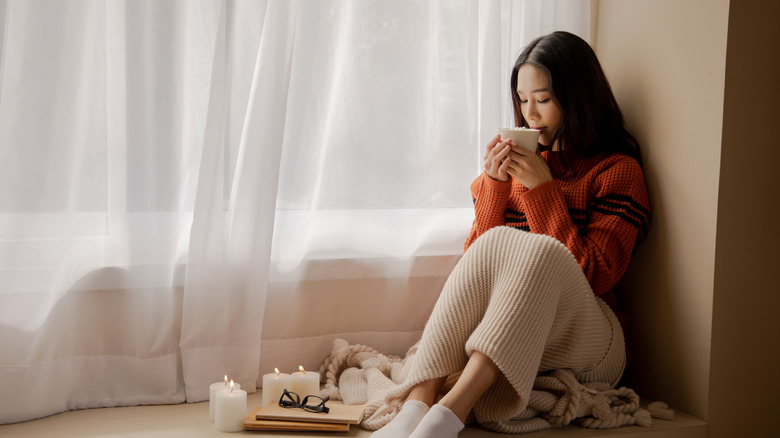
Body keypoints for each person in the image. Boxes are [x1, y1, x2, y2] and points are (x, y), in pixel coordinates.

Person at [369, 31, 650, 437]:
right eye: (522, 99)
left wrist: (544, 192)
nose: (530, 114)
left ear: (579, 96)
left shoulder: (617, 171)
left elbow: (596, 275)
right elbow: (478, 270)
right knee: (497, 244)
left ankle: (447, 414)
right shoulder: (518, 169)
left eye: (544, 99)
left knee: (537, 251)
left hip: (594, 339)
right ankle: (417, 406)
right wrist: (494, 187)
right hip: (521, 327)